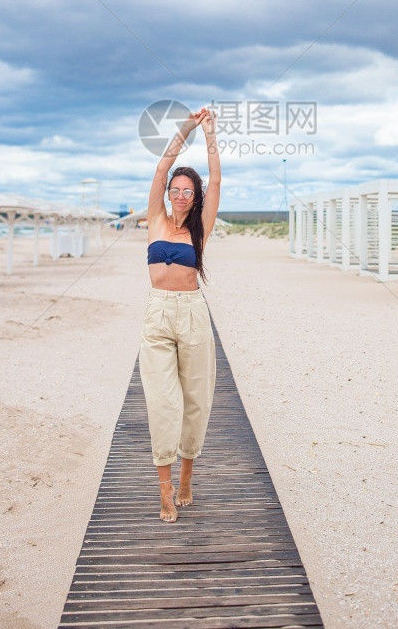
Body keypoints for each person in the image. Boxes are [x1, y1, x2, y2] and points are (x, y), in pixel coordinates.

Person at [140, 106, 221, 522]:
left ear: (196, 196)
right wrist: (187, 127)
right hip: (158, 313)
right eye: (177, 190)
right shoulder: (155, 218)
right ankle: (164, 487)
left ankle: (188, 475)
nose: (181, 196)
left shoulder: (199, 228)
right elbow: (161, 168)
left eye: (189, 191)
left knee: (195, 400)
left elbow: (218, 177)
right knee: (161, 401)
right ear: (169, 192)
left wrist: (210, 135)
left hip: (191, 314)